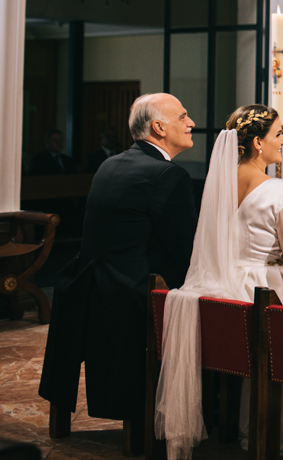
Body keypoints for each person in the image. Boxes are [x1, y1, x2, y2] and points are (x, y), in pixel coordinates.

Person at [154, 105, 283, 460]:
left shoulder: (216, 186)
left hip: (221, 284)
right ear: (258, 143)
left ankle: (229, 419)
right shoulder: (281, 191)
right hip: (266, 288)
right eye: (279, 134)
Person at [39, 94, 198, 434]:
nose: (191, 123)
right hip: (131, 297)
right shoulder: (169, 175)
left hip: (86, 287)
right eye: (183, 116)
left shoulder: (111, 164)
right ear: (158, 127)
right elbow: (184, 251)